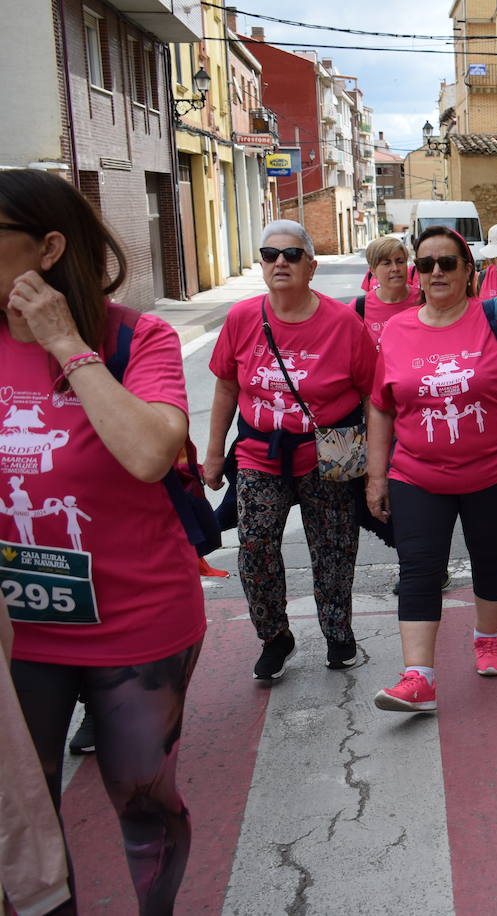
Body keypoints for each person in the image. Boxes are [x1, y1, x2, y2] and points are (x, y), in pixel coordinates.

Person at [1, 167, 205, 912]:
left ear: (48, 247)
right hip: (18, 632)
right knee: (25, 818)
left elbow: (151, 453)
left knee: (144, 800)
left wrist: (64, 343)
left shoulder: (138, 338)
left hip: (136, 623)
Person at [366, 227, 497, 712]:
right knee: (419, 568)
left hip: (492, 473)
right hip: (417, 475)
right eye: (426, 265)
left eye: (448, 263)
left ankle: (487, 639)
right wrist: (377, 475)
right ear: (416, 275)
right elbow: (381, 406)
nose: (437, 272)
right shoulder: (398, 330)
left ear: (469, 270)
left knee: (489, 556)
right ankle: (418, 677)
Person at [205, 220, 375, 680]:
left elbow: (370, 394)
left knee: (334, 549)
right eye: (270, 254)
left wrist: (376, 463)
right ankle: (274, 637)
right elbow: (224, 386)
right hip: (260, 456)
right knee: (255, 546)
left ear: (311, 266)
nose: (280, 261)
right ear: (261, 265)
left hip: (330, 454)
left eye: (292, 254)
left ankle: (338, 633)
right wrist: (215, 452)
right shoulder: (243, 318)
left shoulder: (343, 324)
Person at [356, 236, 421, 344]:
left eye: (400, 261)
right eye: (386, 263)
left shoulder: (424, 299)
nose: (395, 268)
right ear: (373, 270)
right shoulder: (359, 307)